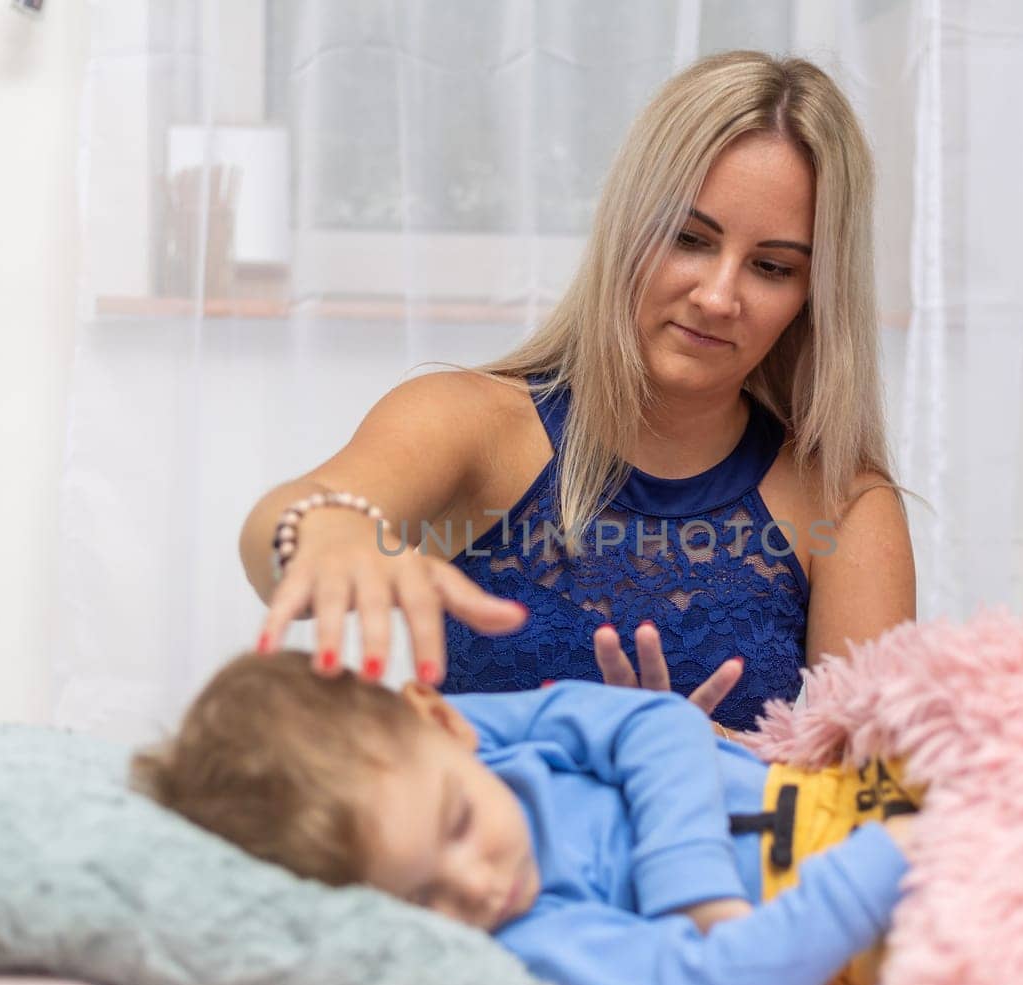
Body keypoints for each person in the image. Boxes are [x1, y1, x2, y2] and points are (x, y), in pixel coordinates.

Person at [240, 51, 914, 732]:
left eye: (770, 267)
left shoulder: (843, 503)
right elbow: (281, 526)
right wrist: (325, 533)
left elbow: (871, 800)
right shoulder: (468, 421)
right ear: (626, 224)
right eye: (687, 238)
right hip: (476, 840)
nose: (717, 296)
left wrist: (716, 758)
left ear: (812, 295)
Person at [134, 652, 920, 985]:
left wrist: (692, 882)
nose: (475, 884)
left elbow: (659, 722)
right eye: (421, 899)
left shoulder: (476, 736)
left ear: (442, 718)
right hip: (871, 898)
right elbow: (715, 977)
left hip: (843, 782)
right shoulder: (528, 940)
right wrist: (886, 859)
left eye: (459, 823)